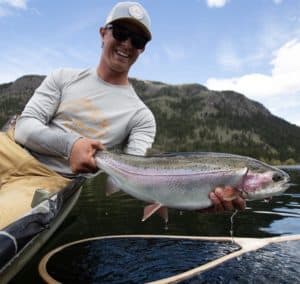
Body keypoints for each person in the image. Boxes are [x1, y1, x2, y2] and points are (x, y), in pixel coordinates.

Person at [0, 2, 244, 228]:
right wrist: (71, 145)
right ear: (102, 33)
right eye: (120, 33)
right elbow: (24, 128)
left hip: (47, 180)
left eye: (137, 40)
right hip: (7, 147)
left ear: (142, 49)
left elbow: (136, 175)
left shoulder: (141, 117)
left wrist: (196, 198)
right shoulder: (62, 77)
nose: (127, 44)